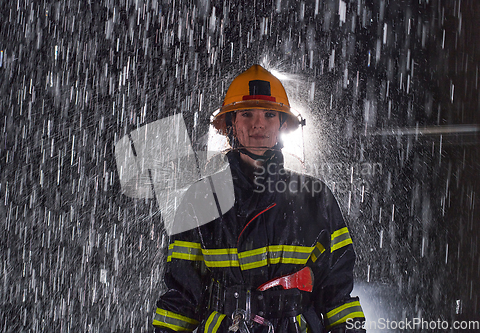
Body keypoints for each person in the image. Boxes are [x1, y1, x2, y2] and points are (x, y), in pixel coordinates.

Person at [153, 65, 366, 333]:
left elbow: (337, 294)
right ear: (231, 125)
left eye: (269, 115)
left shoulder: (315, 197)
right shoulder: (200, 199)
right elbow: (181, 298)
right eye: (246, 114)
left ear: (282, 126)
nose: (258, 124)